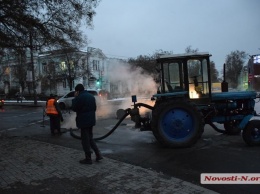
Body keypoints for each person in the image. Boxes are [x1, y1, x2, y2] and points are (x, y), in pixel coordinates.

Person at [71, 84, 103, 164]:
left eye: (76, 91)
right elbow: (95, 108)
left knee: (85, 140)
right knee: (90, 138)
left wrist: (75, 98)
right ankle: (98, 154)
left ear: (77, 91)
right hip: (91, 120)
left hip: (83, 121)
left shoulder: (79, 97)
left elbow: (74, 108)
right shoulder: (91, 96)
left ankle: (88, 158)